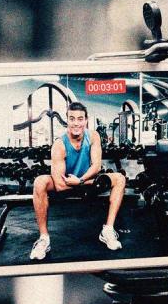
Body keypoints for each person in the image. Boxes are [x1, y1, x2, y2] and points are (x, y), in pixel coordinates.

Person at [29, 102, 126, 261]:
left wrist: (80, 181)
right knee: (40, 182)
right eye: (72, 119)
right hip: (66, 183)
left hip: (84, 181)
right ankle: (44, 239)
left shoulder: (93, 136)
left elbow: (96, 166)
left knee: (120, 179)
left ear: (86, 121)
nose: (76, 123)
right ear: (67, 120)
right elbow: (60, 186)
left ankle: (107, 230)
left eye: (80, 119)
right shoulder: (59, 145)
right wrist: (79, 182)